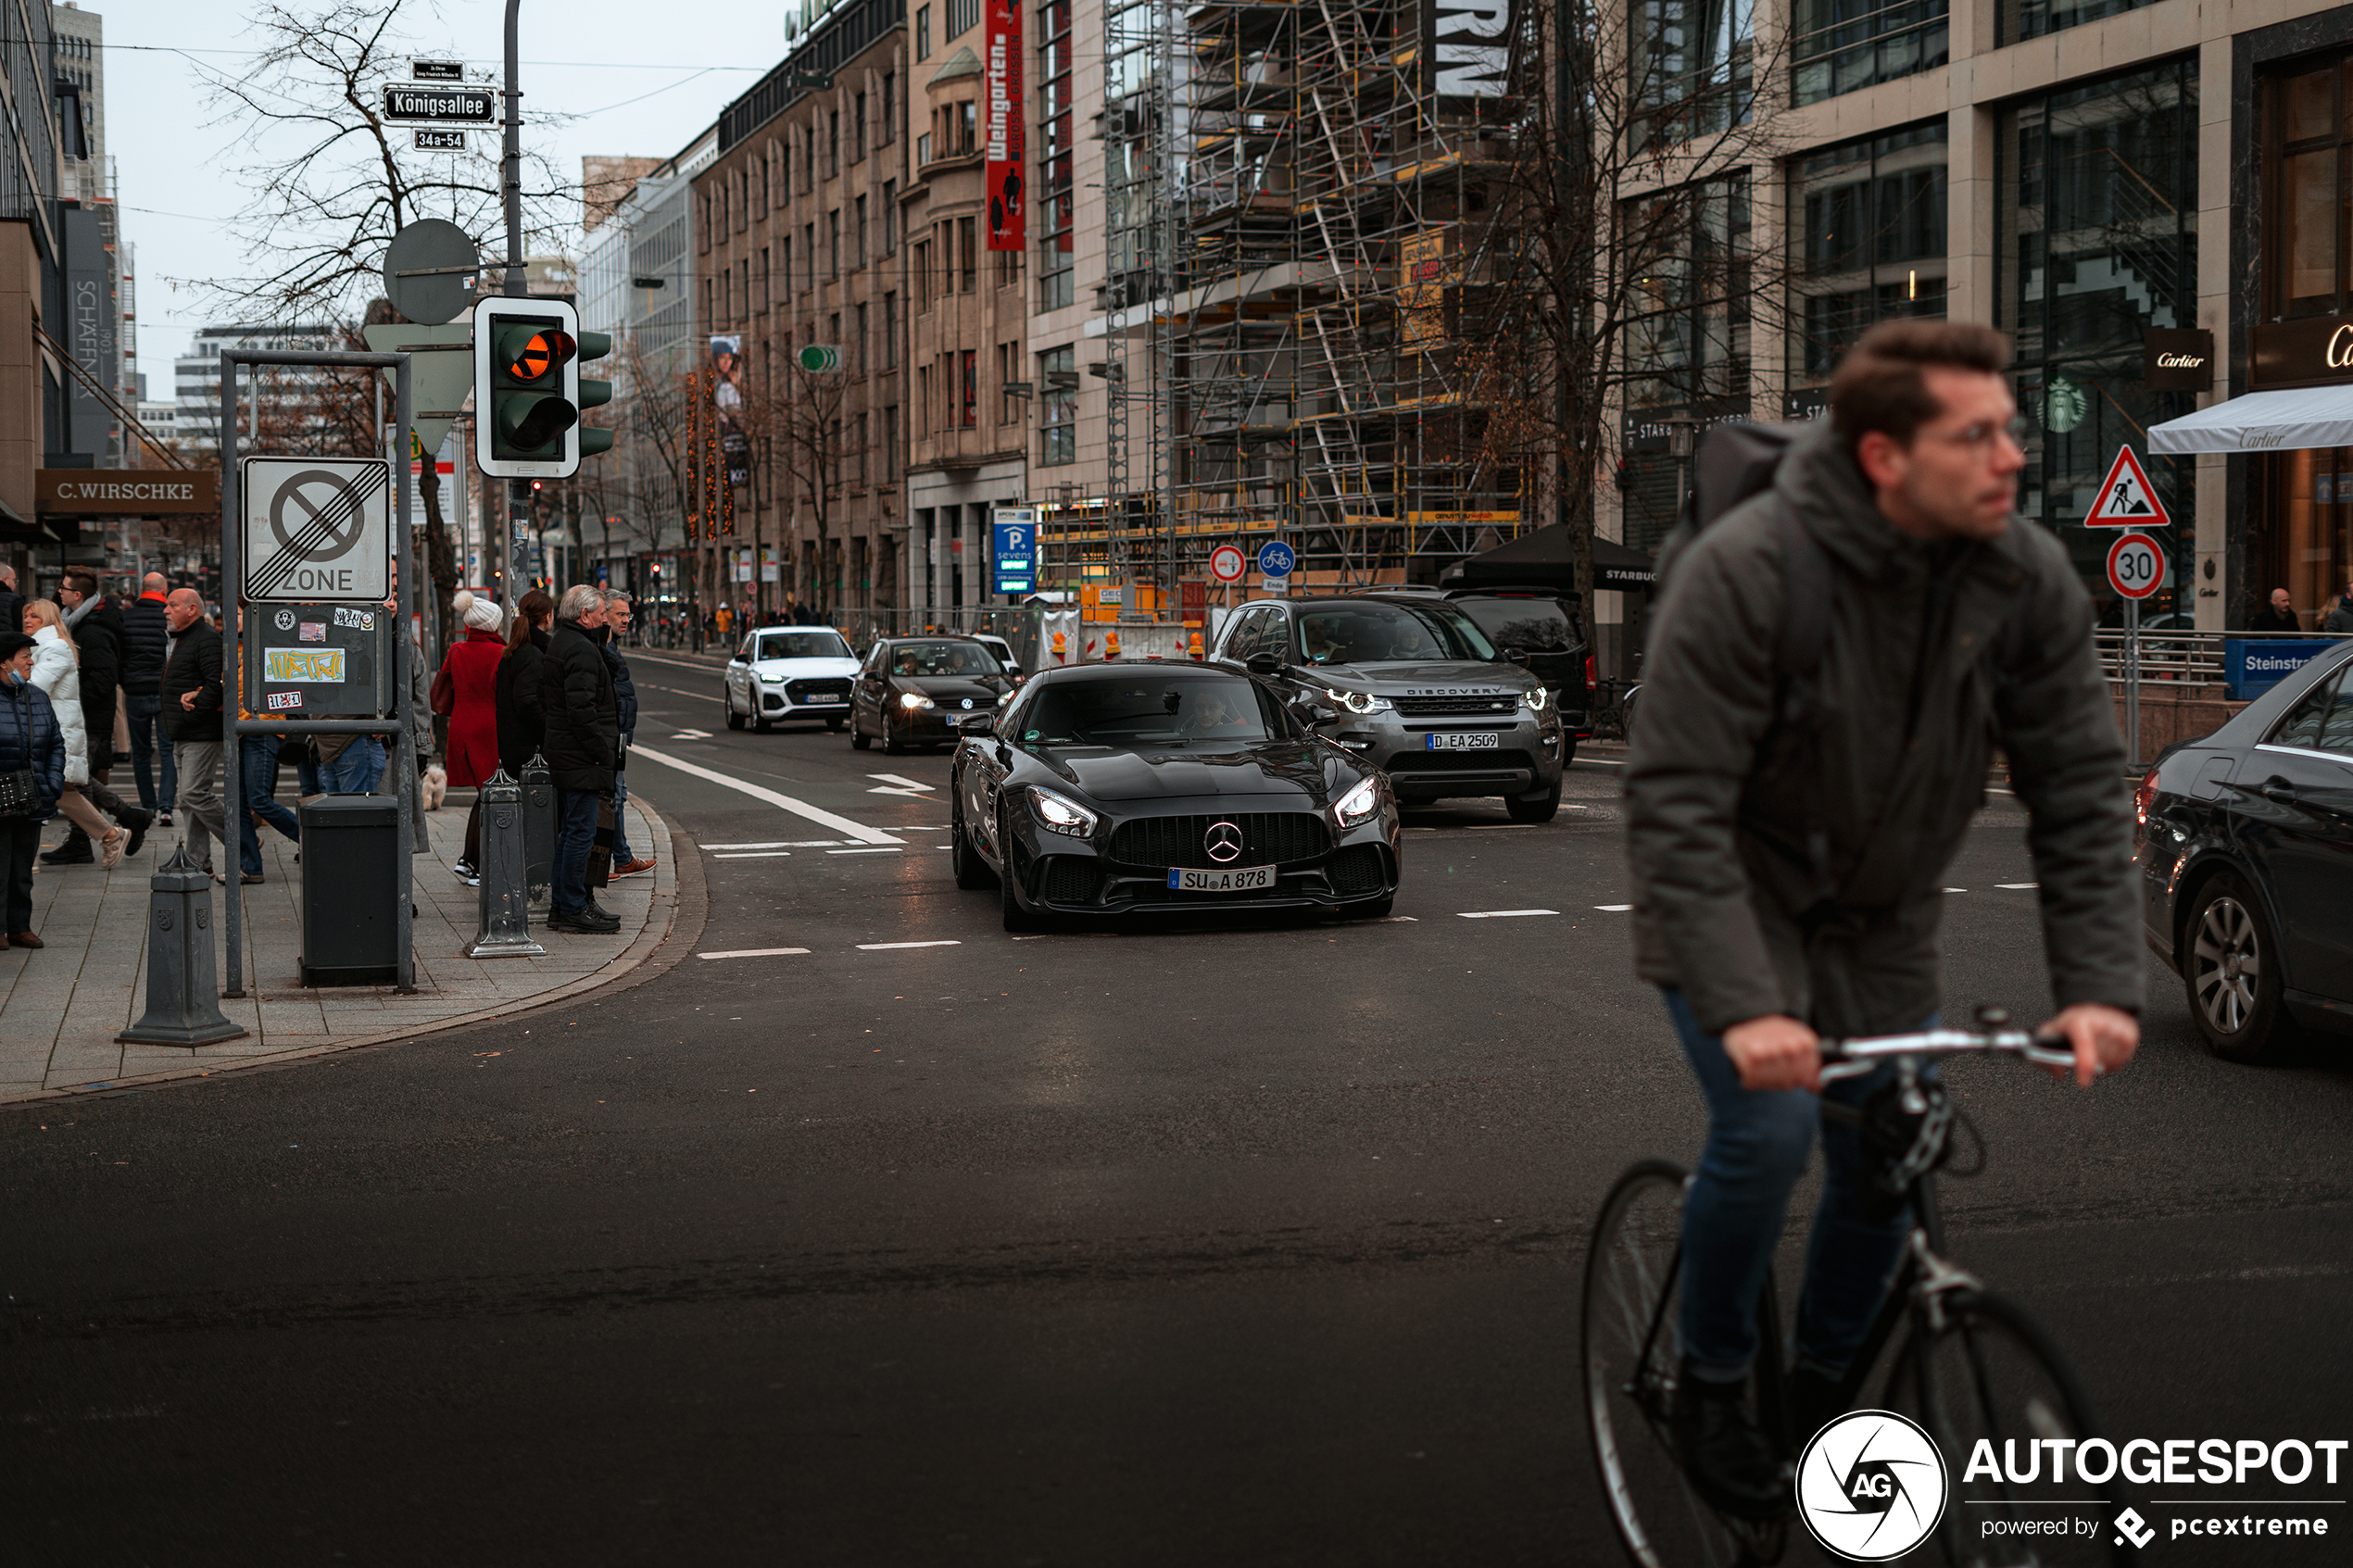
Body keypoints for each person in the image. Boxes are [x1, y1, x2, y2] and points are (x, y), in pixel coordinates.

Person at [1625, 320, 2142, 1517]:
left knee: (1891, 1151)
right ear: (1882, 458)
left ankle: (1815, 1396)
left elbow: (2073, 788)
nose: (2013, 456)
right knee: (1767, 1131)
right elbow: (1678, 805)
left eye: (2010, 428)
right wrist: (1750, 1009)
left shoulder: (2022, 576)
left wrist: (2104, 983)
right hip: (1733, 901)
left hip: (1880, 924)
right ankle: (1708, 1383)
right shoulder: (1749, 570)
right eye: (1978, 435)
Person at [21, 601, 129, 871]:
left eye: (34, 615)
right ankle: (111, 835)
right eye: (25, 615)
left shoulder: (53, 647)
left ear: (48, 619)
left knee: (44, 789)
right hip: (47, 731)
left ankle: (27, 858)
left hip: (53, 733)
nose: (27, 619)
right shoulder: (38, 647)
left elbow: (36, 686)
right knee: (59, 792)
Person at [539, 585, 621, 934]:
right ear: (585, 615)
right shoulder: (581, 650)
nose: (607, 618)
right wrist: (603, 753)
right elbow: (582, 710)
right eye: (602, 612)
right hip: (581, 757)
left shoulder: (562, 641)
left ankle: (564, 905)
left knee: (572, 832)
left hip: (567, 752)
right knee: (580, 834)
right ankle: (573, 905)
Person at [48, 568, 137, 863]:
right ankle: (117, 821)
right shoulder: (79, 623)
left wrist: (72, 701)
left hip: (89, 718)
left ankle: (103, 830)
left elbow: (102, 679)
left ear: (77, 595)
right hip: (84, 717)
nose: (58, 591)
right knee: (78, 779)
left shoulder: (92, 630)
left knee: (75, 780)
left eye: (63, 588)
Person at [0, 631, 65, 947]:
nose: (30, 661)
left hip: (32, 794)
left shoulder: (36, 696)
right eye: (24, 656)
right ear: (4, 662)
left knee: (22, 868)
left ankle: (19, 927)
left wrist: (53, 783)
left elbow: (56, 743)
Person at [161, 588, 228, 877]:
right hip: (184, 730)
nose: (166, 610)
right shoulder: (181, 637)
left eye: (172, 605)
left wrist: (196, 711)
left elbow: (217, 685)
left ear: (192, 609)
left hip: (201, 730)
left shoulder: (207, 638)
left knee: (193, 792)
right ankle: (200, 861)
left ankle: (242, 840)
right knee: (188, 800)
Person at [444, 591, 508, 886]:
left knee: (483, 795)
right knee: (492, 795)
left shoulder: (456, 650)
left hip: (460, 724)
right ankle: (479, 864)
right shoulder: (500, 654)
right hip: (489, 726)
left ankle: (468, 860)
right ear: (492, 625)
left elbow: (441, 689)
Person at [600, 591, 655, 878]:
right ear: (603, 613)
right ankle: (611, 858)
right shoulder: (603, 648)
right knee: (612, 797)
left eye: (628, 615)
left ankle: (620, 856)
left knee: (616, 796)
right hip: (611, 735)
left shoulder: (612, 647)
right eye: (620, 615)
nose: (626, 620)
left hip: (618, 736)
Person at [120, 571, 174, 823]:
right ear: (164, 591)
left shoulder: (126, 617)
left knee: (140, 753)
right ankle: (166, 807)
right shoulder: (171, 616)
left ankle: (149, 807)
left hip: (136, 692)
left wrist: (126, 680)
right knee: (168, 750)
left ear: (142, 589)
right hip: (165, 692)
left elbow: (119, 656)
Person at [495, 588, 556, 780]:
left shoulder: (518, 649)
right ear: (548, 617)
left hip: (515, 743)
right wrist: (550, 727)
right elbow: (527, 701)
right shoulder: (532, 654)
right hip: (530, 747)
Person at [0, 563, 23, 646]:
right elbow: (20, 629)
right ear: (5, 579)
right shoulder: (14, 600)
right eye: (14, 580)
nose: (15, 585)